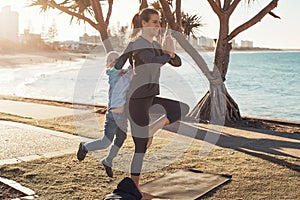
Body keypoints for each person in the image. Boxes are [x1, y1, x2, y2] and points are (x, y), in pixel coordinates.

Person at [113, 8, 190, 196]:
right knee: (140, 147)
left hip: (150, 97)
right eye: (154, 22)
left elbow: (177, 62)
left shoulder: (155, 45)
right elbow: (151, 62)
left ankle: (151, 129)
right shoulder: (137, 44)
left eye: (159, 21)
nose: (158, 25)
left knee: (182, 108)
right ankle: (136, 188)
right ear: (144, 23)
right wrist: (168, 54)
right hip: (137, 99)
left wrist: (170, 54)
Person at [77, 51, 132, 178]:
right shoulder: (112, 73)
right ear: (107, 65)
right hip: (113, 116)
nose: (114, 61)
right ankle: (85, 146)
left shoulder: (125, 74)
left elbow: (132, 68)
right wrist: (128, 52)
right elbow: (119, 65)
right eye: (111, 60)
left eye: (116, 59)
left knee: (121, 138)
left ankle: (108, 160)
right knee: (106, 142)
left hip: (123, 116)